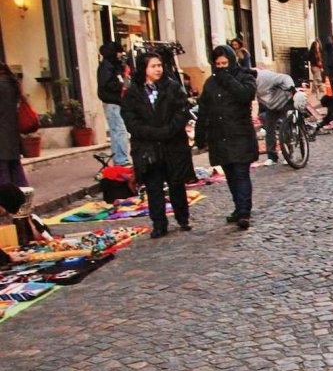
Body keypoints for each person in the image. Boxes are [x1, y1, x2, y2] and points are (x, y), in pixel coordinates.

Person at [121, 51, 194, 238]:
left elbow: (182, 110)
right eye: (153, 66)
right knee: (154, 187)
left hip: (173, 145)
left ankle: (182, 218)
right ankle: (159, 223)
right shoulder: (133, 92)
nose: (158, 69)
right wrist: (152, 132)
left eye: (159, 65)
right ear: (144, 69)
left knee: (176, 183)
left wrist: (169, 130)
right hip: (148, 148)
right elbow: (131, 119)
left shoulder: (172, 87)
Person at [194, 45, 258, 230]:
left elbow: (246, 94)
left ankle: (244, 211)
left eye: (225, 63)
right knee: (230, 174)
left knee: (241, 173)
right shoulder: (210, 83)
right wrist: (200, 135)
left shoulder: (245, 76)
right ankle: (239, 207)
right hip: (219, 135)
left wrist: (228, 79)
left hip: (240, 133)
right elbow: (203, 110)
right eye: (218, 64)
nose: (222, 67)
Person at [97, 42, 131, 167]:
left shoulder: (114, 66)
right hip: (112, 102)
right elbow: (106, 84)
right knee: (119, 130)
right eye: (119, 52)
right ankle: (121, 159)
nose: (121, 54)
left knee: (119, 130)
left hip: (117, 101)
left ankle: (121, 158)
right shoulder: (107, 66)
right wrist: (121, 84)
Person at [255, 67, 297, 165]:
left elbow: (285, 78)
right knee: (269, 128)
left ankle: (289, 154)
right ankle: (272, 157)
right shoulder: (249, 85)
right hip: (271, 105)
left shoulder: (266, 77)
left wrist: (291, 88)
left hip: (285, 100)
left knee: (286, 128)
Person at [0, 62, 28, 189]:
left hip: (3, 133)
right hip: (11, 132)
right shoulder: (12, 83)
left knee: (3, 171)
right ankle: (23, 199)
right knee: (15, 168)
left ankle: (7, 203)